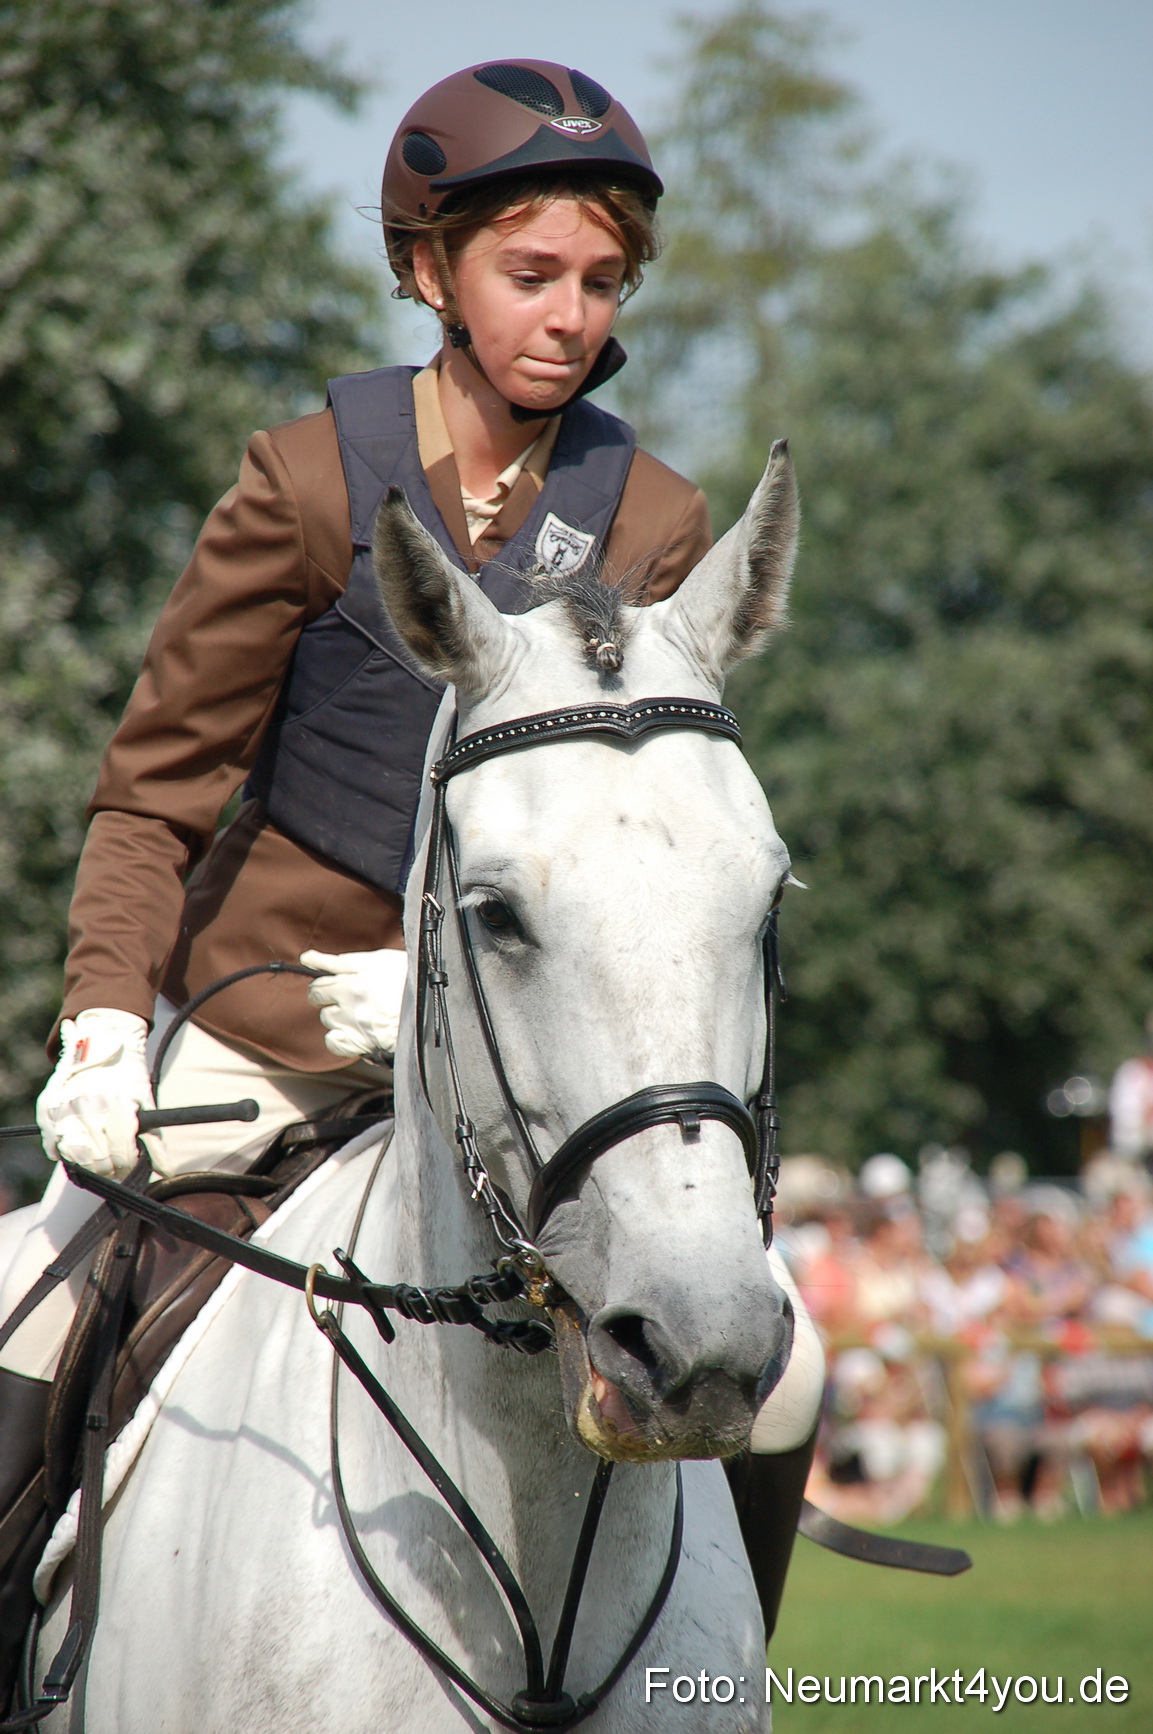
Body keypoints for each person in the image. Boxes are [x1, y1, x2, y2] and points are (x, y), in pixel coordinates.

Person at [1, 57, 813, 1658]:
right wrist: (101, 1015)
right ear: (430, 269)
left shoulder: (654, 518)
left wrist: (450, 987)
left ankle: (715, 1674)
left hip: (545, 1065)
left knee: (781, 1382)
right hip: (266, 1045)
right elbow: (155, 793)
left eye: (599, 282)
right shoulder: (307, 480)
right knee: (35, 1319)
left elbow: (645, 847)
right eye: (530, 274)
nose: (569, 316)